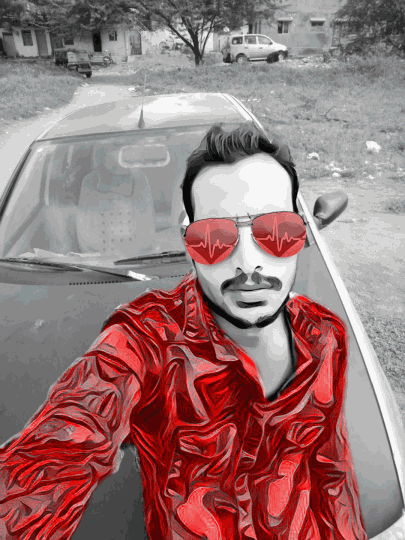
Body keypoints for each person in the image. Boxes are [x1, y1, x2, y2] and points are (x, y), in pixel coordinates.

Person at [0, 124, 367, 539]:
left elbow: (332, 475)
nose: (248, 264)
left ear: (301, 232)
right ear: (188, 244)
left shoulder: (324, 336)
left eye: (277, 232)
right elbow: (53, 458)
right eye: (214, 239)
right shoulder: (146, 342)